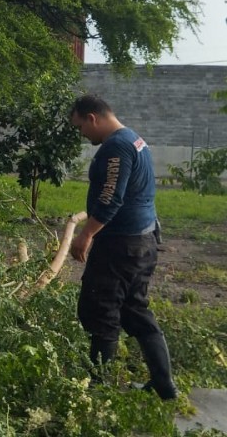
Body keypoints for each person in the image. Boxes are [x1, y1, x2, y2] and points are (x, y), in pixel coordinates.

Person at [69, 94, 178, 400]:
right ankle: (164, 383)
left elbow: (110, 197)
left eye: (80, 127)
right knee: (134, 310)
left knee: (100, 309)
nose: (82, 134)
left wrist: (86, 235)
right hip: (142, 241)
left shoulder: (116, 146)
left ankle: (99, 391)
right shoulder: (135, 140)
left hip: (121, 246)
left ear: (93, 118)